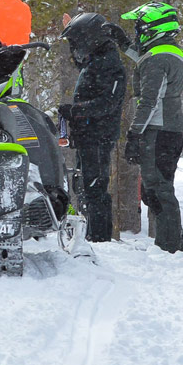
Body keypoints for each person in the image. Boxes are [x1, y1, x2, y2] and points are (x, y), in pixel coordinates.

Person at [122, 2, 183, 254]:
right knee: (159, 189)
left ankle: (170, 248)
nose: (138, 32)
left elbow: (149, 100)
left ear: (152, 29)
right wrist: (124, 45)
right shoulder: (169, 52)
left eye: (140, 27)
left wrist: (134, 133)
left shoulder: (158, 58)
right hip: (170, 129)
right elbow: (146, 62)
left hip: (158, 130)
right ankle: (172, 244)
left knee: (158, 190)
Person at [58, 13, 128, 242]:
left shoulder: (109, 62)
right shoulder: (97, 58)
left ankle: (100, 238)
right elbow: (80, 61)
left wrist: (76, 111)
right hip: (89, 133)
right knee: (86, 186)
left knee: (95, 187)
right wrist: (70, 36)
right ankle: (92, 234)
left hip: (99, 135)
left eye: (79, 40)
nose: (78, 47)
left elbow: (108, 102)